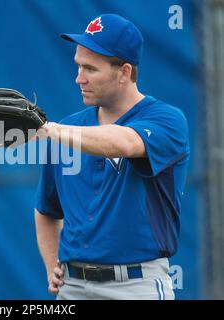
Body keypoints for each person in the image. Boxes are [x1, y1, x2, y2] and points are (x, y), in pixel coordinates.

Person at [35, 14, 190, 300]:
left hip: (137, 286)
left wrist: (47, 129)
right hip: (73, 288)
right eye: (78, 65)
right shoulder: (68, 129)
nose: (78, 77)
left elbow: (124, 142)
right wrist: (51, 265)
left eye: (90, 68)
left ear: (124, 72)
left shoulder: (167, 120)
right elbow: (46, 210)